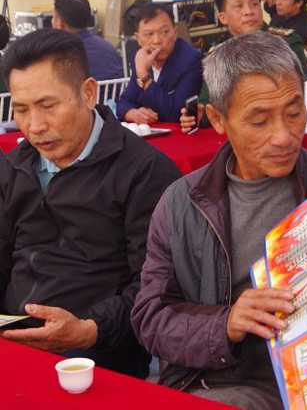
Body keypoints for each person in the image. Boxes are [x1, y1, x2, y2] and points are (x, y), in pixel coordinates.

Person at [132, 32, 307, 408]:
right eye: (259, 121)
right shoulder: (182, 204)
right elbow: (151, 317)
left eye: (294, 112)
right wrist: (225, 324)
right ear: (218, 119)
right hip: (222, 379)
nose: (285, 137)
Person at [0, 29, 180, 378]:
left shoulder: (144, 172)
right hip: (13, 343)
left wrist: (89, 329)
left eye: (48, 106)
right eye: (21, 110)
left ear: (87, 93)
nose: (35, 126)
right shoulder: (15, 166)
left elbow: (157, 286)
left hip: (96, 356)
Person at [118, 2, 203, 124]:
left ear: (175, 32)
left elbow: (175, 113)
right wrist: (132, 114)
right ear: (138, 39)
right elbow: (124, 102)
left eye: (164, 32)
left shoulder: (191, 60)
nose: (157, 41)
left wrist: (144, 76)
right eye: (149, 34)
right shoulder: (140, 58)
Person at [215, 0, 307, 77]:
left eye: (254, 4)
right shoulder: (218, 56)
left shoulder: (287, 42)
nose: (249, 11)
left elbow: (298, 85)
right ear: (223, 18)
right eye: (239, 6)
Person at [51, 0, 123, 80]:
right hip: (116, 93)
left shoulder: (63, 55)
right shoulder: (109, 48)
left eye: (53, 17)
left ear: (59, 23)